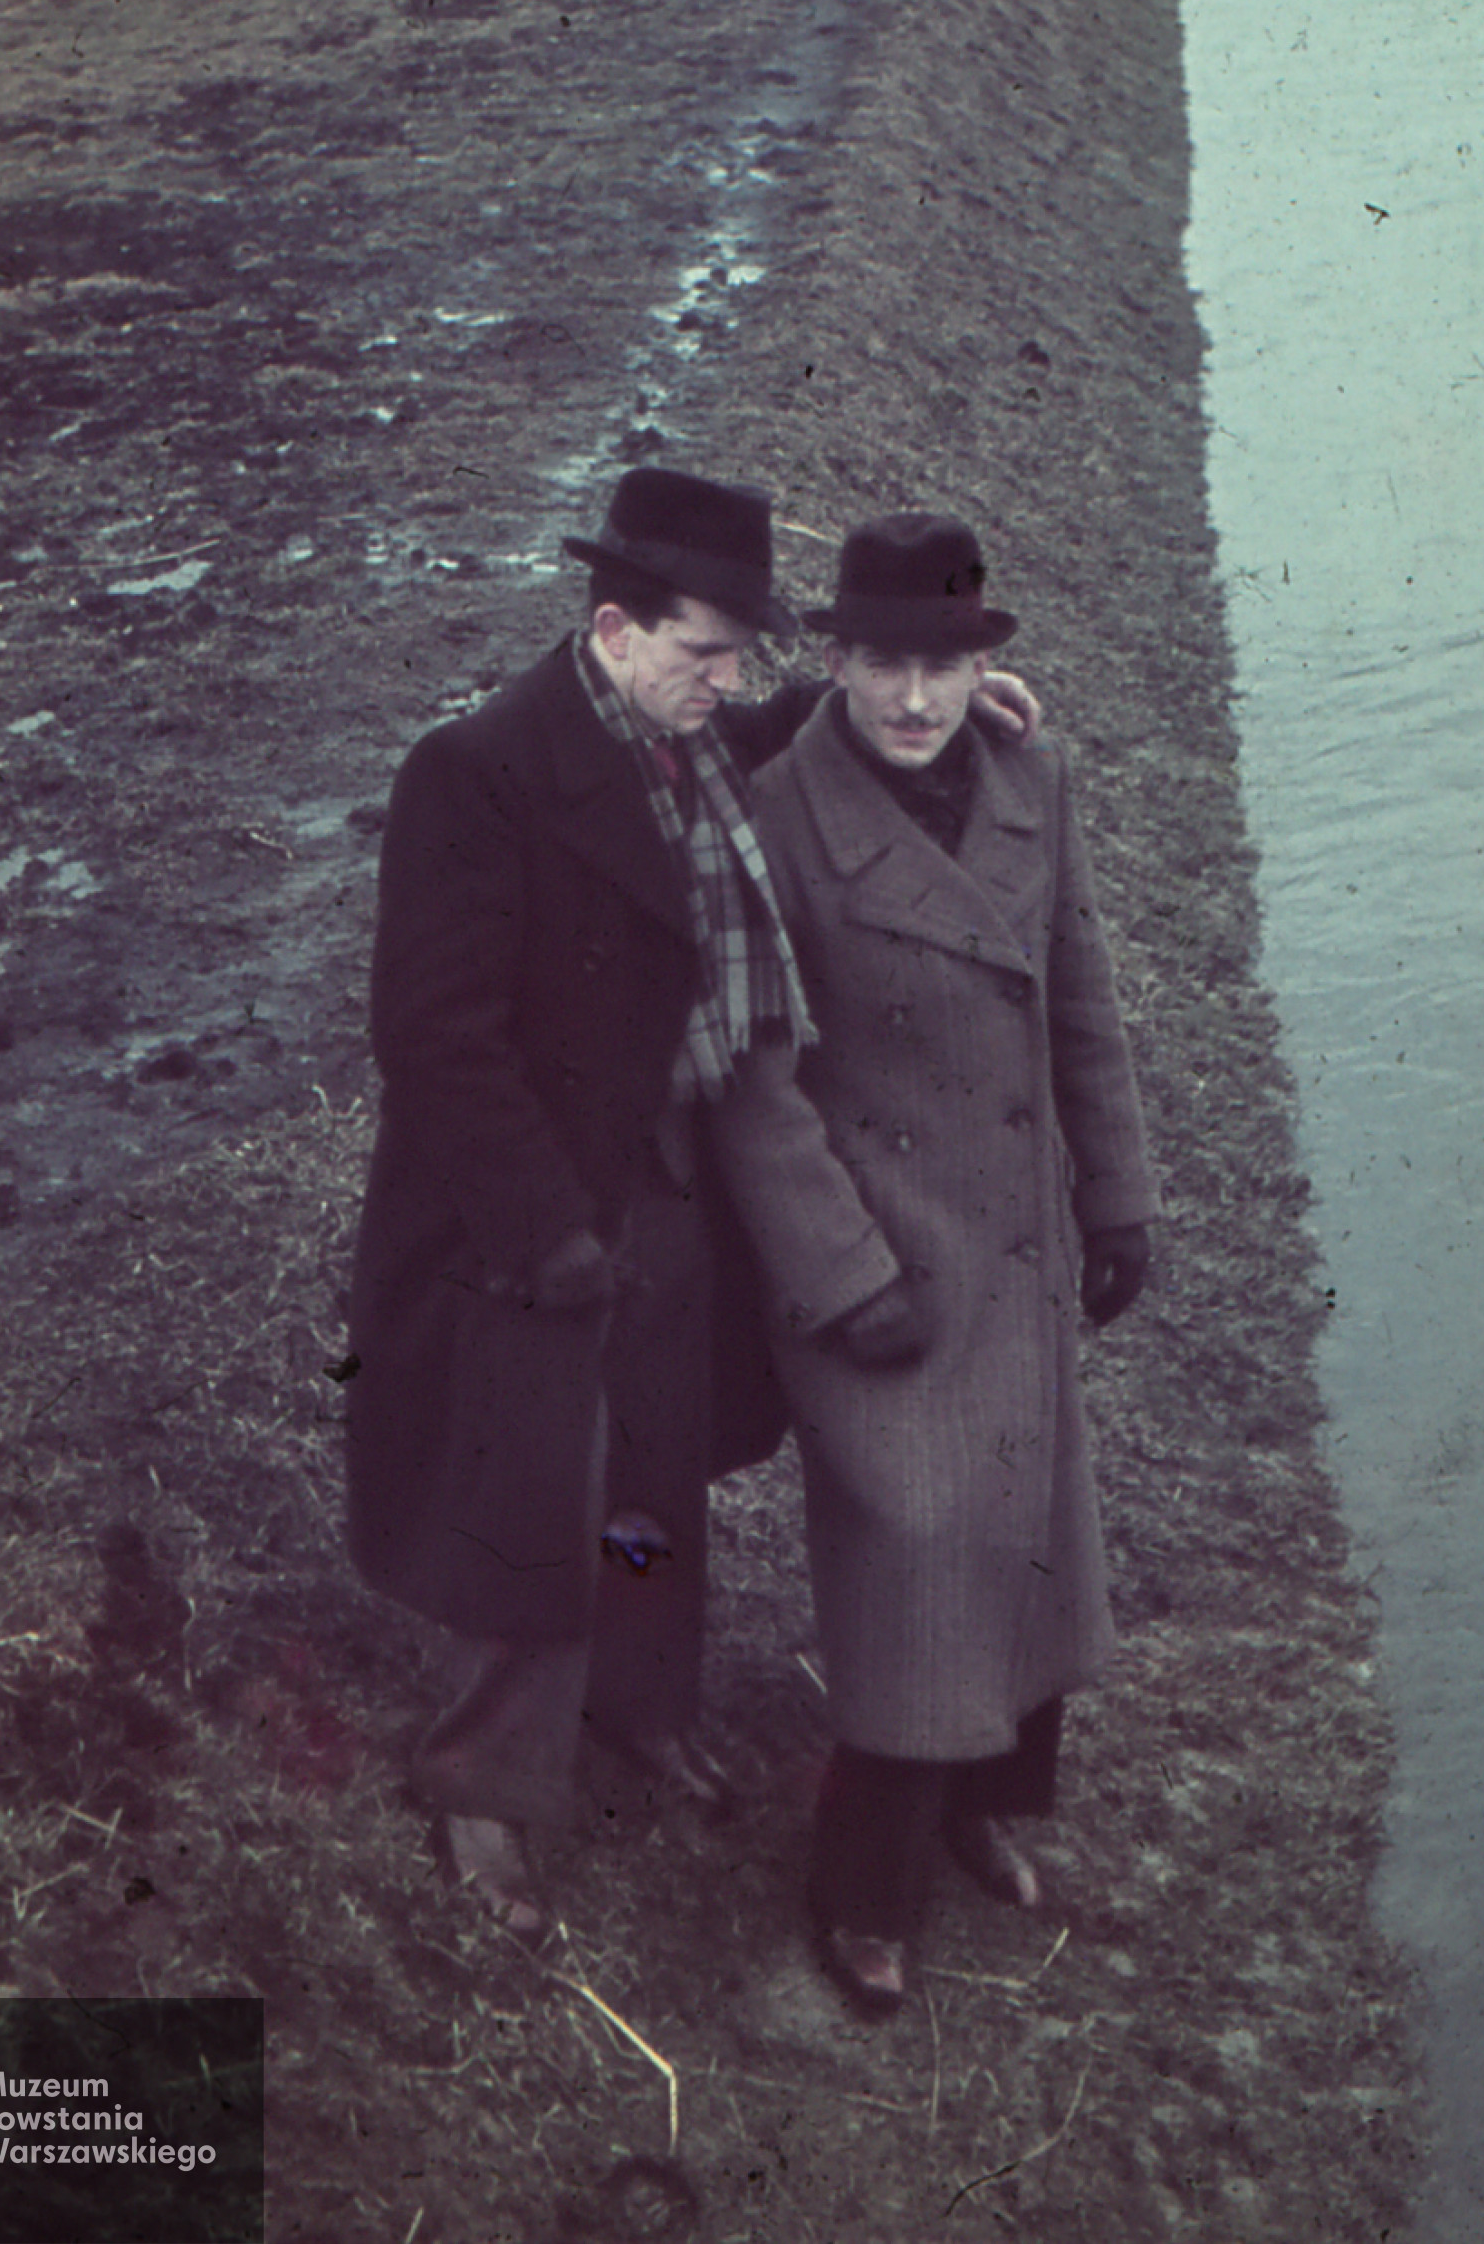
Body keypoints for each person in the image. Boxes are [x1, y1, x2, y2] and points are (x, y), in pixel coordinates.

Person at [345, 470, 1033, 1945]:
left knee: (654, 1484)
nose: (729, 683)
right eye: (706, 654)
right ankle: (481, 1789)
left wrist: (935, 696)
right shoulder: (477, 773)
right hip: (522, 1223)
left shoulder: (688, 739)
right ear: (615, 629)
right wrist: (546, 1233)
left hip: (663, 1188)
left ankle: (643, 1711)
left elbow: (774, 727)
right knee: (534, 1499)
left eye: (741, 657)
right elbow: (434, 1038)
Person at [710, 512, 1159, 2015]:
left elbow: (1079, 997)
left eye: (944, 667)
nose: (914, 700)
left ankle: (984, 1808)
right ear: (834, 660)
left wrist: (1119, 1199)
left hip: (1014, 1246)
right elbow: (754, 1087)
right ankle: (862, 1896)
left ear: (984, 668)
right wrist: (844, 1274)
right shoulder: (777, 817)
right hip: (875, 1263)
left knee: (1022, 1536)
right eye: (884, 663)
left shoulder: (1038, 779)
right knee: (910, 1561)